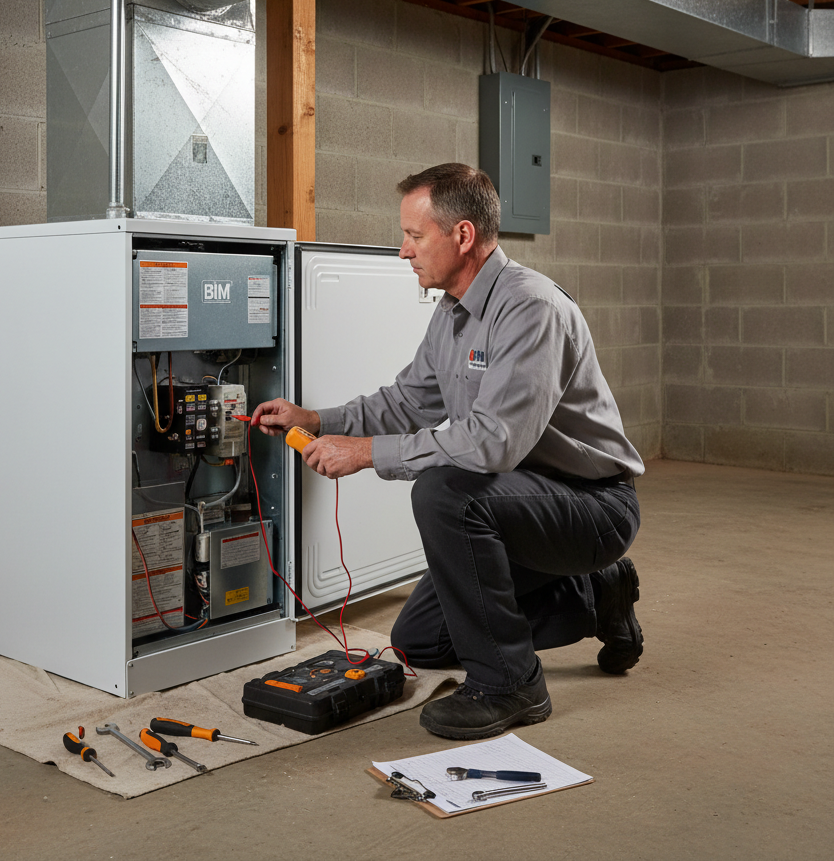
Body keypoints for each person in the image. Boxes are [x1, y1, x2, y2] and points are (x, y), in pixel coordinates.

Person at [251, 163, 645, 741]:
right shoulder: (452, 312)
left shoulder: (530, 308)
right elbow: (409, 400)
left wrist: (364, 453)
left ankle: (511, 684)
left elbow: (491, 443)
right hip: (515, 501)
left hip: (589, 505)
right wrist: (317, 419)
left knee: (445, 491)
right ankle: (595, 596)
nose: (403, 250)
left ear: (462, 236)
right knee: (421, 642)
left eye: (414, 235)